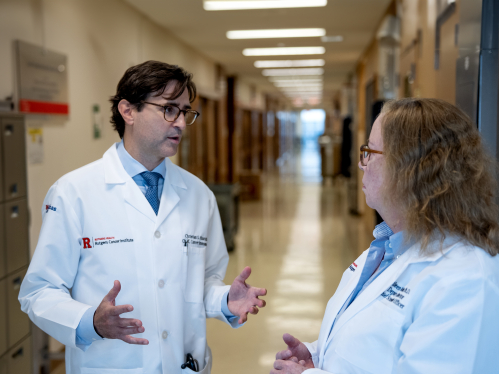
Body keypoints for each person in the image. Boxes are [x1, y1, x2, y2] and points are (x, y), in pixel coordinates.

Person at [19, 60, 267, 374]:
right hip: (111, 364)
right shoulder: (74, 193)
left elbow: (199, 284)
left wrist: (223, 300)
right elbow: (39, 292)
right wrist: (90, 322)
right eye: (168, 109)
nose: (179, 123)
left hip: (185, 364)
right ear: (128, 111)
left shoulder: (199, 195)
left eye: (185, 112)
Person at [271, 98, 499, 374]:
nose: (361, 164)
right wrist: (318, 355)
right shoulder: (388, 246)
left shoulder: (466, 281)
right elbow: (373, 344)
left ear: (410, 168)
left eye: (369, 151)